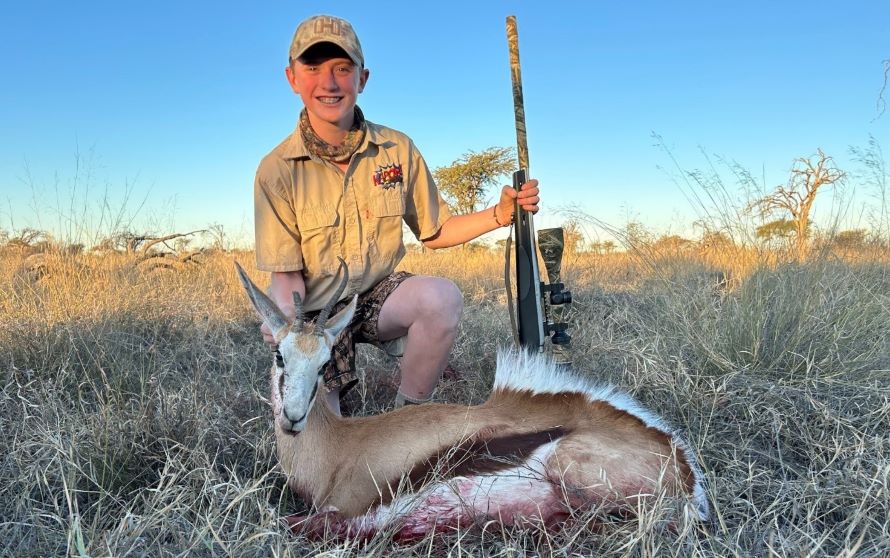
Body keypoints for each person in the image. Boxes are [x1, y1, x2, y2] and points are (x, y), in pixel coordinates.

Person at [254, 14, 540, 414]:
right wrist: (286, 322)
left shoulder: (397, 149)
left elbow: (436, 230)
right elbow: (286, 276)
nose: (329, 82)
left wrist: (499, 214)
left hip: (376, 297)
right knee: (311, 435)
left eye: (342, 68)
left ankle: (407, 418)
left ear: (362, 79)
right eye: (313, 68)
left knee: (440, 298)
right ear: (292, 78)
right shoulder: (276, 169)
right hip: (317, 318)